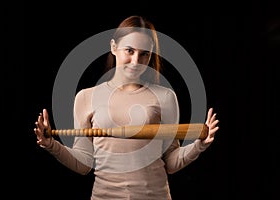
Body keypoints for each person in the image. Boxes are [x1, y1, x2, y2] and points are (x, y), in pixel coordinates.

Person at [34, 15, 219, 200]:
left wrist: (199, 145)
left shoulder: (166, 97)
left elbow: (171, 161)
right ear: (114, 47)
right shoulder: (85, 97)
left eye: (144, 53)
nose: (136, 61)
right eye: (129, 50)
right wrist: (51, 145)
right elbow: (83, 164)